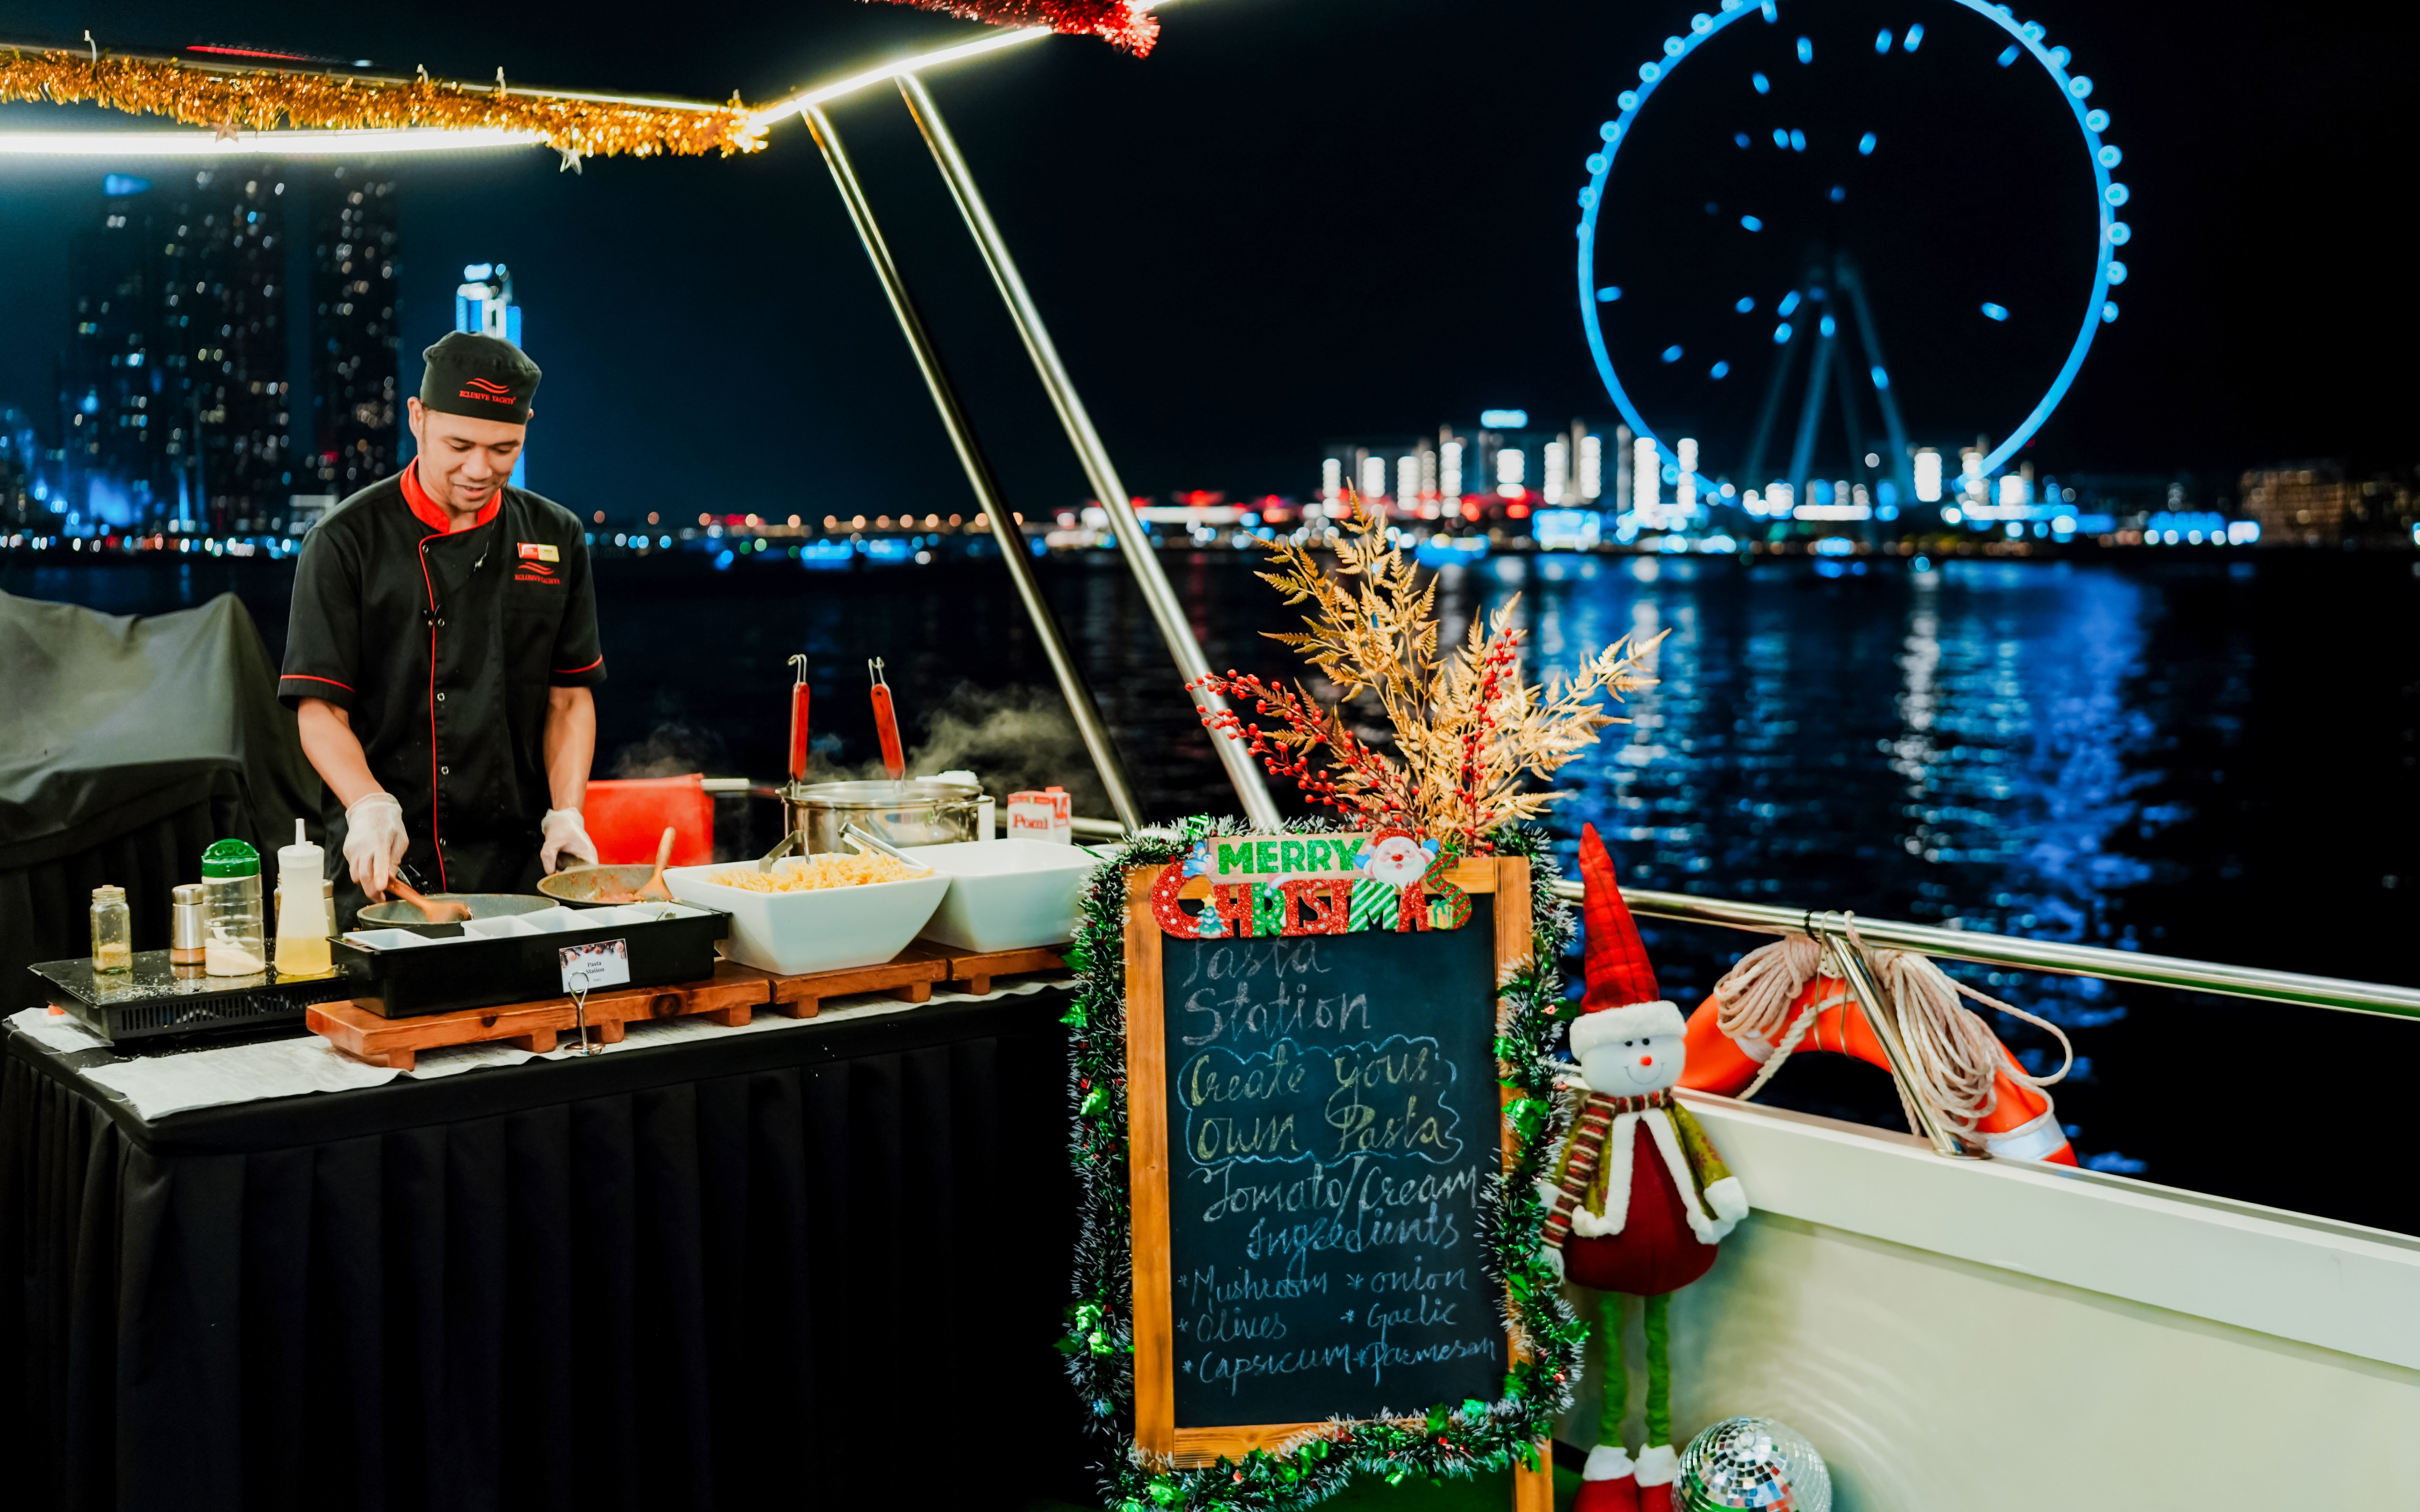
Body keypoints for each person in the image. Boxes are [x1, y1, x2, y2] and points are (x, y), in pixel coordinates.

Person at [279, 331, 604, 923]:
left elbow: (569, 699)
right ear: (418, 418)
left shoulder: (557, 536)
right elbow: (320, 713)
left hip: (526, 870)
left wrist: (568, 812)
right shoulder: (345, 542)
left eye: (504, 448)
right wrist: (369, 805)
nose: (480, 469)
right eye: (460, 444)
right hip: (388, 863)